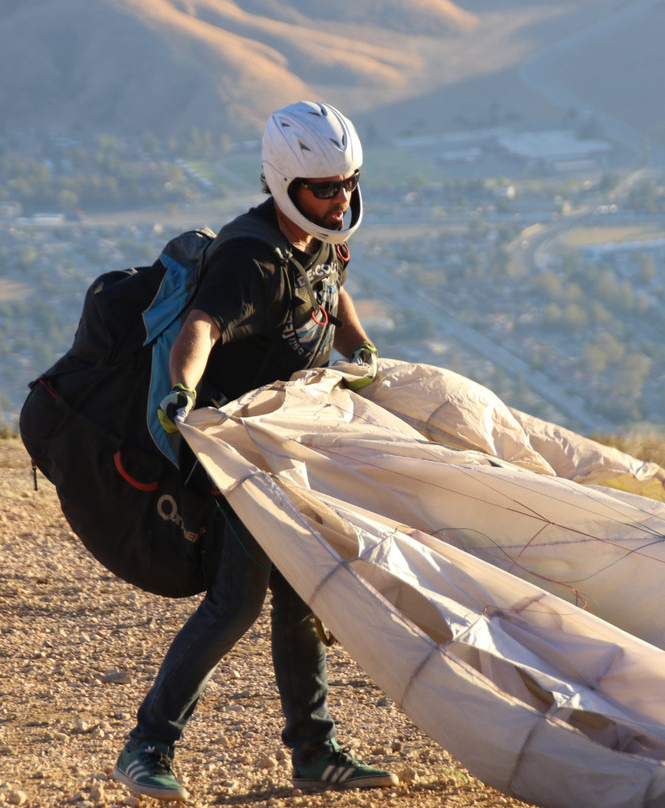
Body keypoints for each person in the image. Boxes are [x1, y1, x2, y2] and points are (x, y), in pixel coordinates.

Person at [112, 101, 394, 803]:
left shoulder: (321, 236)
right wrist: (179, 391)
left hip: (294, 443)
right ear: (285, 182)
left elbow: (335, 297)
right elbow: (202, 326)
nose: (341, 199)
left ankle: (315, 752)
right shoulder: (252, 255)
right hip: (239, 452)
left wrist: (361, 350)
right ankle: (147, 746)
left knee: (301, 596)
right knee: (237, 602)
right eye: (325, 187)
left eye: (349, 183)